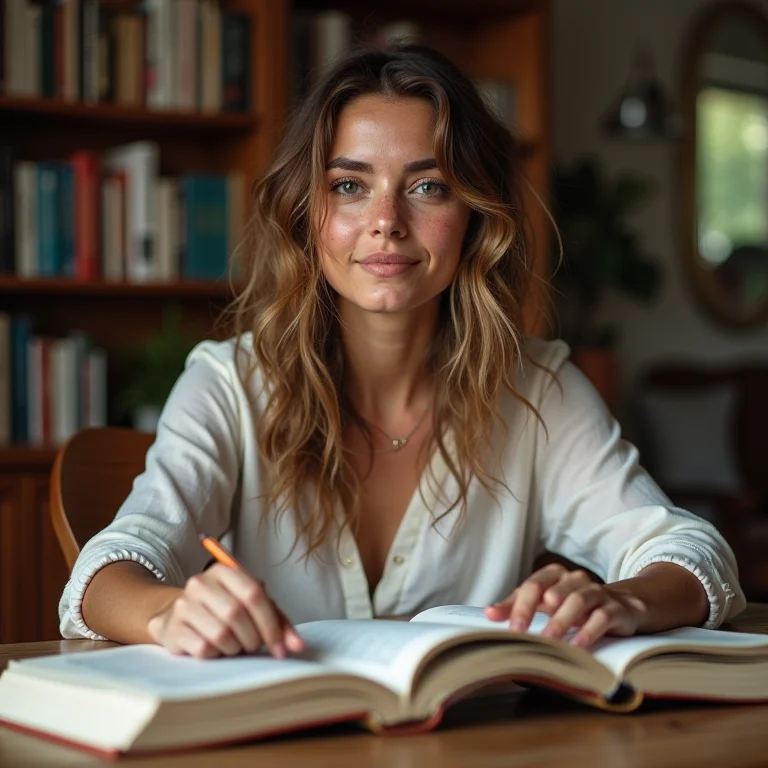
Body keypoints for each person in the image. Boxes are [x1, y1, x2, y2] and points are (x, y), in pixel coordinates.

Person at [60, 44, 744, 660]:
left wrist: (623, 599)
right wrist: (170, 611)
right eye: (349, 186)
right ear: (307, 213)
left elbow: (691, 551)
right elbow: (110, 569)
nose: (386, 221)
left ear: (475, 216)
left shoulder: (537, 388)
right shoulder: (231, 384)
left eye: (427, 186)